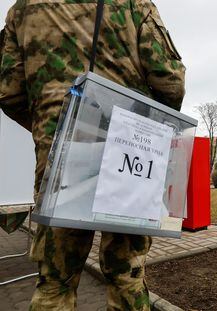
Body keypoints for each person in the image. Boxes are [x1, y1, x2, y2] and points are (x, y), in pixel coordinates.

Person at [0, 0, 185, 310]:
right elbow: (171, 81)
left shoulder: (22, 9)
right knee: (127, 272)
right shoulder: (133, 3)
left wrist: (55, 127)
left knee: (55, 279)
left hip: (59, 158)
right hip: (128, 152)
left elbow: (8, 92)